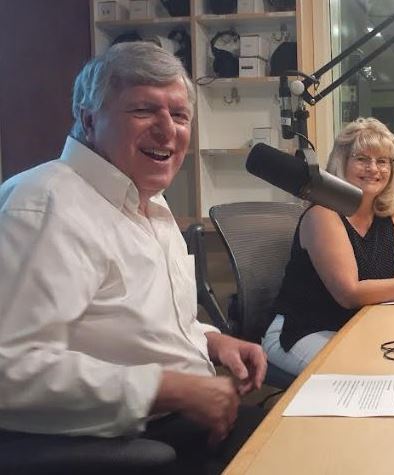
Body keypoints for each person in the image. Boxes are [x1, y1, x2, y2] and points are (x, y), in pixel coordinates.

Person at [0, 41, 267, 474]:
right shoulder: (44, 203)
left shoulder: (151, 203)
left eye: (179, 115)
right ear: (89, 119)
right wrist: (168, 389)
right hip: (115, 441)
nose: (167, 130)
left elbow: (138, 322)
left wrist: (212, 341)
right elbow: (9, 367)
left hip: (183, 420)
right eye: (144, 110)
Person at [262, 117, 394, 376]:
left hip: (354, 325)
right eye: (362, 159)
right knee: (371, 374)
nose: (374, 168)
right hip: (303, 330)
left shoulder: (386, 213)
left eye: (383, 161)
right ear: (342, 162)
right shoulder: (324, 214)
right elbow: (349, 294)